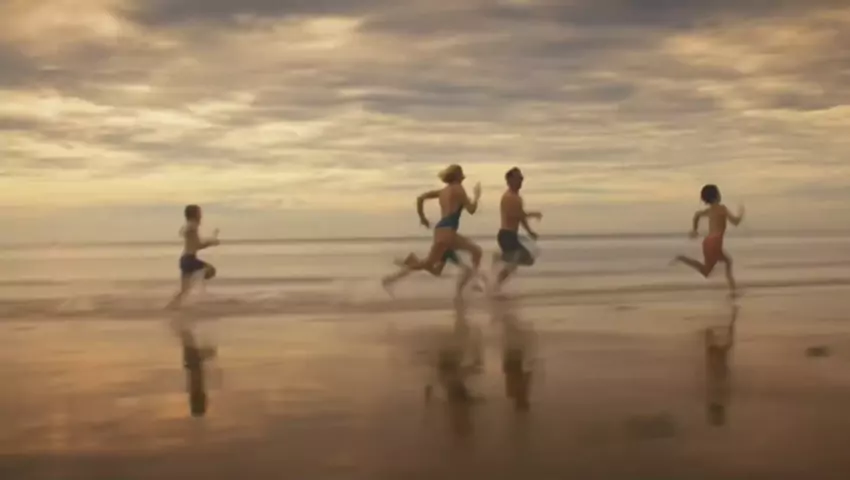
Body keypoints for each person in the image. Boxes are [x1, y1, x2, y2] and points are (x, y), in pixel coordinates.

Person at [382, 164, 483, 298]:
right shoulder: (459, 189)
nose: (463, 178)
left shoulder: (443, 191)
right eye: (461, 175)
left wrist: (422, 217)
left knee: (430, 266)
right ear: (458, 176)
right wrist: (476, 196)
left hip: (439, 231)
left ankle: (391, 278)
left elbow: (420, 198)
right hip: (449, 232)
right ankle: (474, 282)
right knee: (477, 251)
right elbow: (471, 210)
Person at [672, 184, 744, 294]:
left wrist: (695, 229)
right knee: (727, 262)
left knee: (708, 270)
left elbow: (697, 215)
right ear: (717, 196)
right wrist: (741, 213)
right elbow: (736, 222)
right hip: (715, 242)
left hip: (708, 242)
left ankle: (682, 258)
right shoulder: (722, 208)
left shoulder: (709, 211)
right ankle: (733, 292)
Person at [491, 167, 542, 294]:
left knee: (525, 260)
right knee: (515, 262)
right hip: (506, 235)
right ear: (510, 180)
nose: (521, 181)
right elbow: (515, 215)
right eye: (518, 178)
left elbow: (520, 218)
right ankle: (494, 286)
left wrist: (530, 231)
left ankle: (498, 263)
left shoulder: (517, 197)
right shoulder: (509, 197)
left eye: (521, 178)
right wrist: (532, 214)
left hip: (511, 235)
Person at [166, 204, 219, 309]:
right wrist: (211, 242)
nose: (201, 216)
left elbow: (195, 244)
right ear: (194, 215)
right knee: (211, 270)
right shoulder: (193, 226)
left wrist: (211, 241)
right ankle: (202, 289)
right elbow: (197, 244)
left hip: (185, 260)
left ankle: (171, 307)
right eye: (199, 213)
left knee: (185, 290)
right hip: (189, 259)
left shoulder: (190, 226)